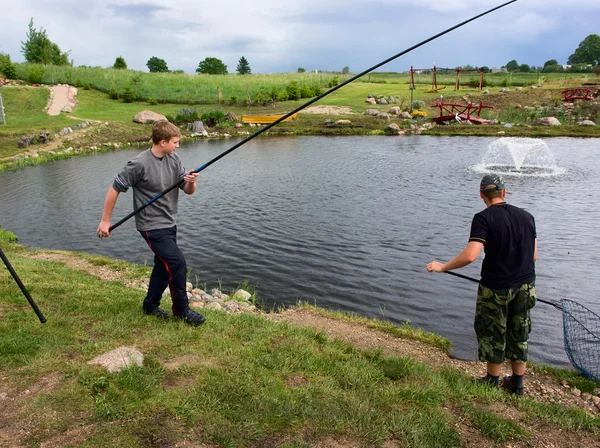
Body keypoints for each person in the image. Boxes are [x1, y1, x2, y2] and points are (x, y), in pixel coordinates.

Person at [426, 174, 537, 395]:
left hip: (496, 288)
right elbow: (533, 256)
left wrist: (443, 267)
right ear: (504, 192)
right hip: (526, 286)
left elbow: (470, 256)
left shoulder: (483, 218)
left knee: (492, 331)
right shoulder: (527, 216)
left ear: (481, 195)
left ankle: (492, 381)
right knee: (520, 331)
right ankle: (517, 383)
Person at [96, 120, 205, 326]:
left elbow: (188, 191)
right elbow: (114, 189)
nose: (178, 145)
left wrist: (191, 181)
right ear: (162, 142)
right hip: (150, 225)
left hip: (169, 222)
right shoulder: (139, 164)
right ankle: (182, 311)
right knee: (176, 263)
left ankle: (150, 305)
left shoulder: (173, 159)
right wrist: (105, 220)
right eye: (175, 142)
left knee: (163, 266)